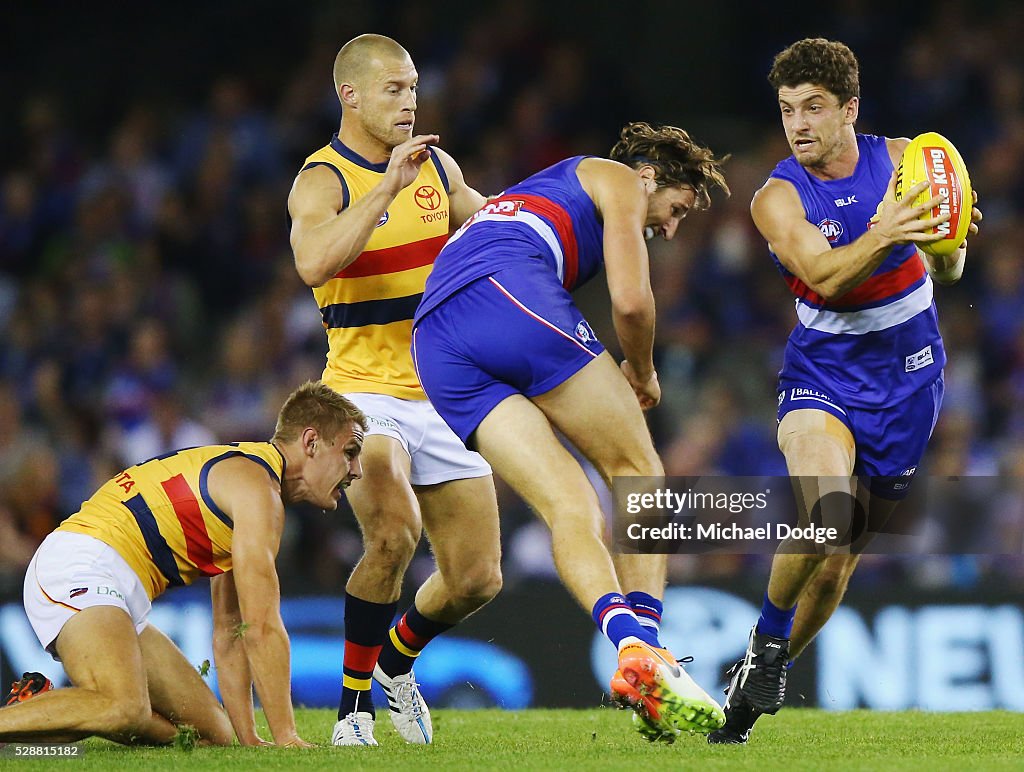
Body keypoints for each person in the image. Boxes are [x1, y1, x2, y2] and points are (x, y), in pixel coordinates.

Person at [411, 122, 730, 740]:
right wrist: (640, 369)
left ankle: (631, 647)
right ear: (649, 175)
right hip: (503, 295)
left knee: (570, 503)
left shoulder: (537, 192)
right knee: (640, 471)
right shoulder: (619, 179)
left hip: (434, 341)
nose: (668, 227)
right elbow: (633, 303)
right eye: (677, 209)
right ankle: (654, 648)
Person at [708, 38, 983, 745]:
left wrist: (948, 241)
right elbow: (824, 275)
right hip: (822, 374)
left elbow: (947, 272)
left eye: (814, 108)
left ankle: (746, 692)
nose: (797, 124)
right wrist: (891, 228)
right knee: (824, 508)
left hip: (911, 379)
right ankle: (768, 641)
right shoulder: (776, 197)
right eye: (787, 109)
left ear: (850, 109)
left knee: (834, 573)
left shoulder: (905, 160)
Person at [287, 34, 501, 747]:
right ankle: (351, 714)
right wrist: (384, 187)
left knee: (477, 578)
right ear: (350, 95)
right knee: (394, 529)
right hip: (359, 392)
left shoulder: (437, 165)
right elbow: (315, 262)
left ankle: (396, 660)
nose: (409, 102)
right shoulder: (323, 179)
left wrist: (574, 211)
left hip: (443, 392)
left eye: (413, 88)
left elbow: (490, 217)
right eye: (393, 90)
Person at [0, 381, 366, 747]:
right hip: (82, 564)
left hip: (115, 585)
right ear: (311, 442)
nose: (358, 470)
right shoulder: (258, 492)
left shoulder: (248, 482)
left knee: (210, 736)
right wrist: (287, 738)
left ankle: (35, 712)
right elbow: (263, 627)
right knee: (124, 707)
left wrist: (249, 739)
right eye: (350, 452)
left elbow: (230, 631)